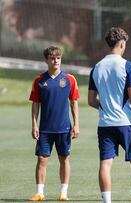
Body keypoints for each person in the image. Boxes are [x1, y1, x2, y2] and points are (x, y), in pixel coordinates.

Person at [88, 27, 131, 203]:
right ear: (122, 44)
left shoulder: (96, 68)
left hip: (105, 124)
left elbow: (91, 100)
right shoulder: (128, 66)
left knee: (105, 164)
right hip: (126, 123)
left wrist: (106, 107)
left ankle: (106, 201)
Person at [29, 46, 80, 201]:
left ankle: (63, 193)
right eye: (52, 58)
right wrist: (34, 124)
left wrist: (76, 124)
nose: (55, 60)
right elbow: (35, 104)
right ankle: (40, 193)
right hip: (45, 129)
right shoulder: (39, 80)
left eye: (58, 58)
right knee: (41, 160)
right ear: (47, 60)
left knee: (64, 158)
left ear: (61, 59)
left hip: (64, 128)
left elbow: (74, 103)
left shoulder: (70, 79)